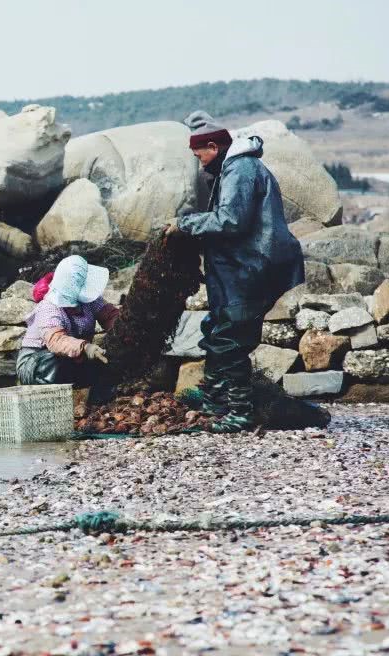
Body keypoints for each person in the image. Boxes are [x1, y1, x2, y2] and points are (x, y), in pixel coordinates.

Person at [165, 111, 305, 432]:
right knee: (216, 327)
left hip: (255, 267)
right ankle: (215, 398)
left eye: (198, 153)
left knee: (231, 336)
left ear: (212, 146)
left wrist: (185, 224)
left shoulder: (241, 170)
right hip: (241, 266)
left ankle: (240, 411)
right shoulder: (231, 168)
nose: (198, 161)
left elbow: (231, 219)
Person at [16, 255, 120, 402]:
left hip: (74, 358)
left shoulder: (88, 299)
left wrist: (122, 327)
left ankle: (96, 402)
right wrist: (85, 347)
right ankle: (56, 402)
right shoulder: (49, 307)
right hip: (38, 363)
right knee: (56, 363)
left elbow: (110, 315)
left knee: (103, 364)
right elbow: (56, 340)